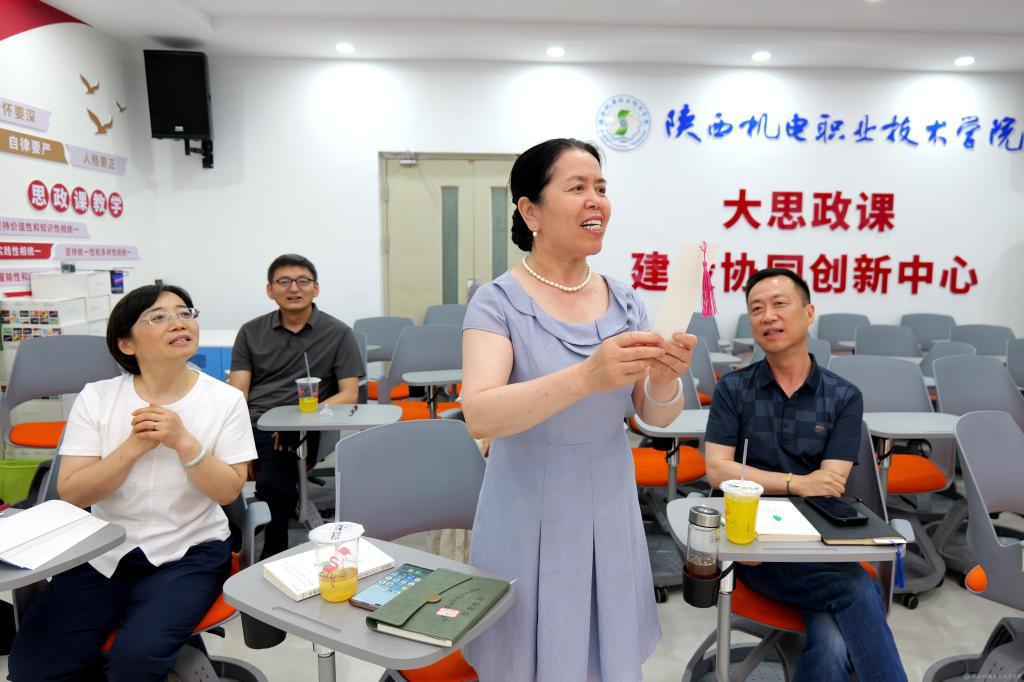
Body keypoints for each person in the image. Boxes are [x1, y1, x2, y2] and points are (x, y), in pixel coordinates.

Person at [460, 138, 697, 681]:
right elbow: (481, 414)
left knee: (604, 652)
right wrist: (587, 376)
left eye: (601, 188)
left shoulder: (625, 299)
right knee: (525, 655)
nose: (596, 200)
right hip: (526, 503)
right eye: (577, 187)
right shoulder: (497, 302)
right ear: (531, 211)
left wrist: (664, 378)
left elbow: (652, 416)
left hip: (610, 498)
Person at [9, 284, 257, 682]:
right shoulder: (98, 397)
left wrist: (183, 442)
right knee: (32, 667)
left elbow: (229, 491)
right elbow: (73, 492)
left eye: (185, 313)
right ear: (126, 344)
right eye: (158, 317)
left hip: (190, 551)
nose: (179, 322)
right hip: (103, 550)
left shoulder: (225, 400)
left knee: (135, 661)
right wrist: (133, 447)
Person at [704, 268, 907, 682]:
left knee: (832, 647)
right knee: (855, 588)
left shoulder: (843, 396)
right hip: (755, 546)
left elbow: (830, 483)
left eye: (779, 304)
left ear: (809, 313)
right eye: (756, 308)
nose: (768, 316)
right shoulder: (733, 389)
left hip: (820, 545)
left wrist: (772, 481)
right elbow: (717, 470)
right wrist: (797, 483)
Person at [229, 254, 363, 559]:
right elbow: (237, 394)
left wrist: (299, 420)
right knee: (205, 468)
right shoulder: (251, 332)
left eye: (303, 281)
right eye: (284, 281)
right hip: (254, 422)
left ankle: (272, 553)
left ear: (316, 288)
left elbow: (348, 395)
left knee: (275, 483)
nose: (294, 288)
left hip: (304, 426)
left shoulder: (338, 333)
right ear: (270, 290)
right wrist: (235, 441)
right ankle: (232, 539)